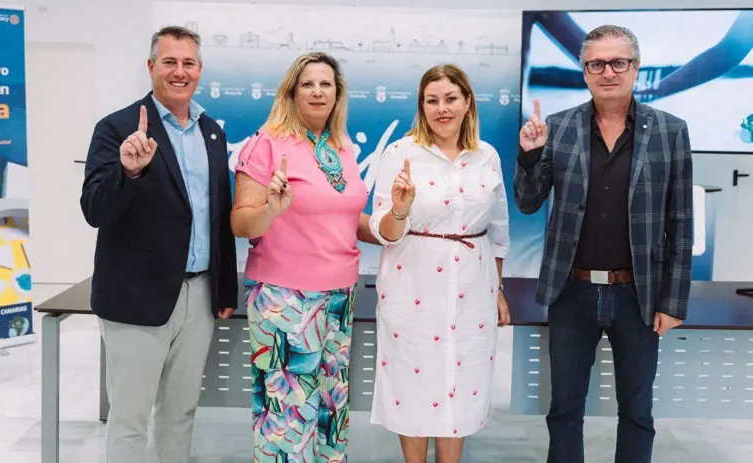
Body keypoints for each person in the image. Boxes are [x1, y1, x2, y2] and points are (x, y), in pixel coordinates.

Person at [514, 25, 692, 463]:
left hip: (639, 295)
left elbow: (680, 222)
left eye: (619, 62)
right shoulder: (558, 128)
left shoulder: (670, 131)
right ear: (584, 71)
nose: (608, 72)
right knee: (565, 409)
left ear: (635, 68)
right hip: (571, 292)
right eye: (597, 64)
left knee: (636, 411)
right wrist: (531, 155)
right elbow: (527, 201)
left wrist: (672, 301)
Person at [79, 26, 237, 462]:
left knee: (180, 412)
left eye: (188, 63)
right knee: (130, 418)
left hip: (199, 294)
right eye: (169, 62)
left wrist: (225, 289)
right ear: (151, 68)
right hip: (136, 296)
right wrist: (128, 173)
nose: (179, 72)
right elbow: (94, 209)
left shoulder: (211, 132)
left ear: (200, 71)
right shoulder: (117, 129)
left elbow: (217, 214)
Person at [231, 51, 377, 462]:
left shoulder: (341, 147)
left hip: (338, 297)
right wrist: (272, 209)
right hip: (283, 299)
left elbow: (345, 217)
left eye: (326, 84)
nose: (317, 91)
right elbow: (241, 222)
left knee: (332, 411)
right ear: (292, 92)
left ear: (338, 94)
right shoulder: (266, 144)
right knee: (288, 419)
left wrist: (395, 224)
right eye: (308, 84)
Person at [368, 63, 511, 463]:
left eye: (450, 99)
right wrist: (399, 210)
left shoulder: (487, 156)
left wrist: (498, 291)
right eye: (432, 101)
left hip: (473, 289)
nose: (441, 108)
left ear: (467, 102)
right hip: (411, 288)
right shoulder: (400, 153)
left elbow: (498, 233)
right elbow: (384, 232)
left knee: (461, 384)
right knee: (413, 384)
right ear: (422, 106)